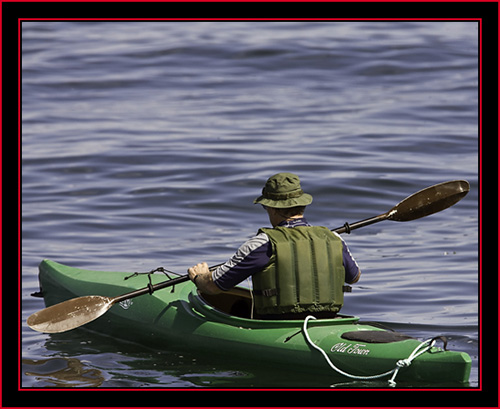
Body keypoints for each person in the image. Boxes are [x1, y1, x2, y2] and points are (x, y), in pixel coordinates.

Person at [188, 172, 361, 319]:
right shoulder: (334, 238)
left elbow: (212, 287)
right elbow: (354, 277)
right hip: (328, 320)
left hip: (277, 323)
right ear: (302, 206)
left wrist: (199, 277)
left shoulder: (263, 243)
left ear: (273, 208)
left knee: (240, 307)